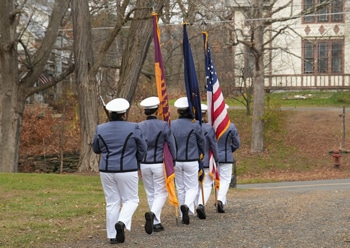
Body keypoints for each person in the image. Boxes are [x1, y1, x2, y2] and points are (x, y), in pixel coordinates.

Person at [91, 98, 147, 244]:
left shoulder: (100, 128)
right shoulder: (133, 127)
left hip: (106, 170)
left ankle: (112, 235)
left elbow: (96, 149)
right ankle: (121, 222)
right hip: (127, 168)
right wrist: (138, 161)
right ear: (124, 114)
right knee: (132, 200)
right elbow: (142, 148)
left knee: (112, 202)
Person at [138, 96, 176, 234]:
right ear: (157, 110)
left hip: (144, 163)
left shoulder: (139, 126)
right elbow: (171, 144)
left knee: (150, 193)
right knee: (161, 192)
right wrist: (174, 159)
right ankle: (153, 214)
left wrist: (137, 164)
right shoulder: (163, 125)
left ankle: (156, 223)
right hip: (159, 163)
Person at [171, 97, 205, 225]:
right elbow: (201, 141)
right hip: (191, 159)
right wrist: (202, 154)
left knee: (180, 187)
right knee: (192, 187)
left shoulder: (172, 124)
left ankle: (183, 212)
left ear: (178, 111)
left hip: (177, 160)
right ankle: (186, 206)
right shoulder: (195, 124)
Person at [195, 104, 219, 219]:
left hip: (193, 160)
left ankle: (193, 207)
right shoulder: (208, 128)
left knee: (195, 186)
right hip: (206, 161)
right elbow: (213, 145)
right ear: (204, 115)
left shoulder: (192, 126)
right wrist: (216, 158)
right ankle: (201, 204)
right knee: (208, 184)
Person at [216, 104, 240, 213]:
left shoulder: (211, 126)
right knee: (225, 180)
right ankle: (220, 200)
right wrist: (229, 150)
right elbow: (236, 143)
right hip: (226, 156)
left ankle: (220, 200)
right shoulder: (231, 126)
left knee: (216, 179)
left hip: (213, 157)